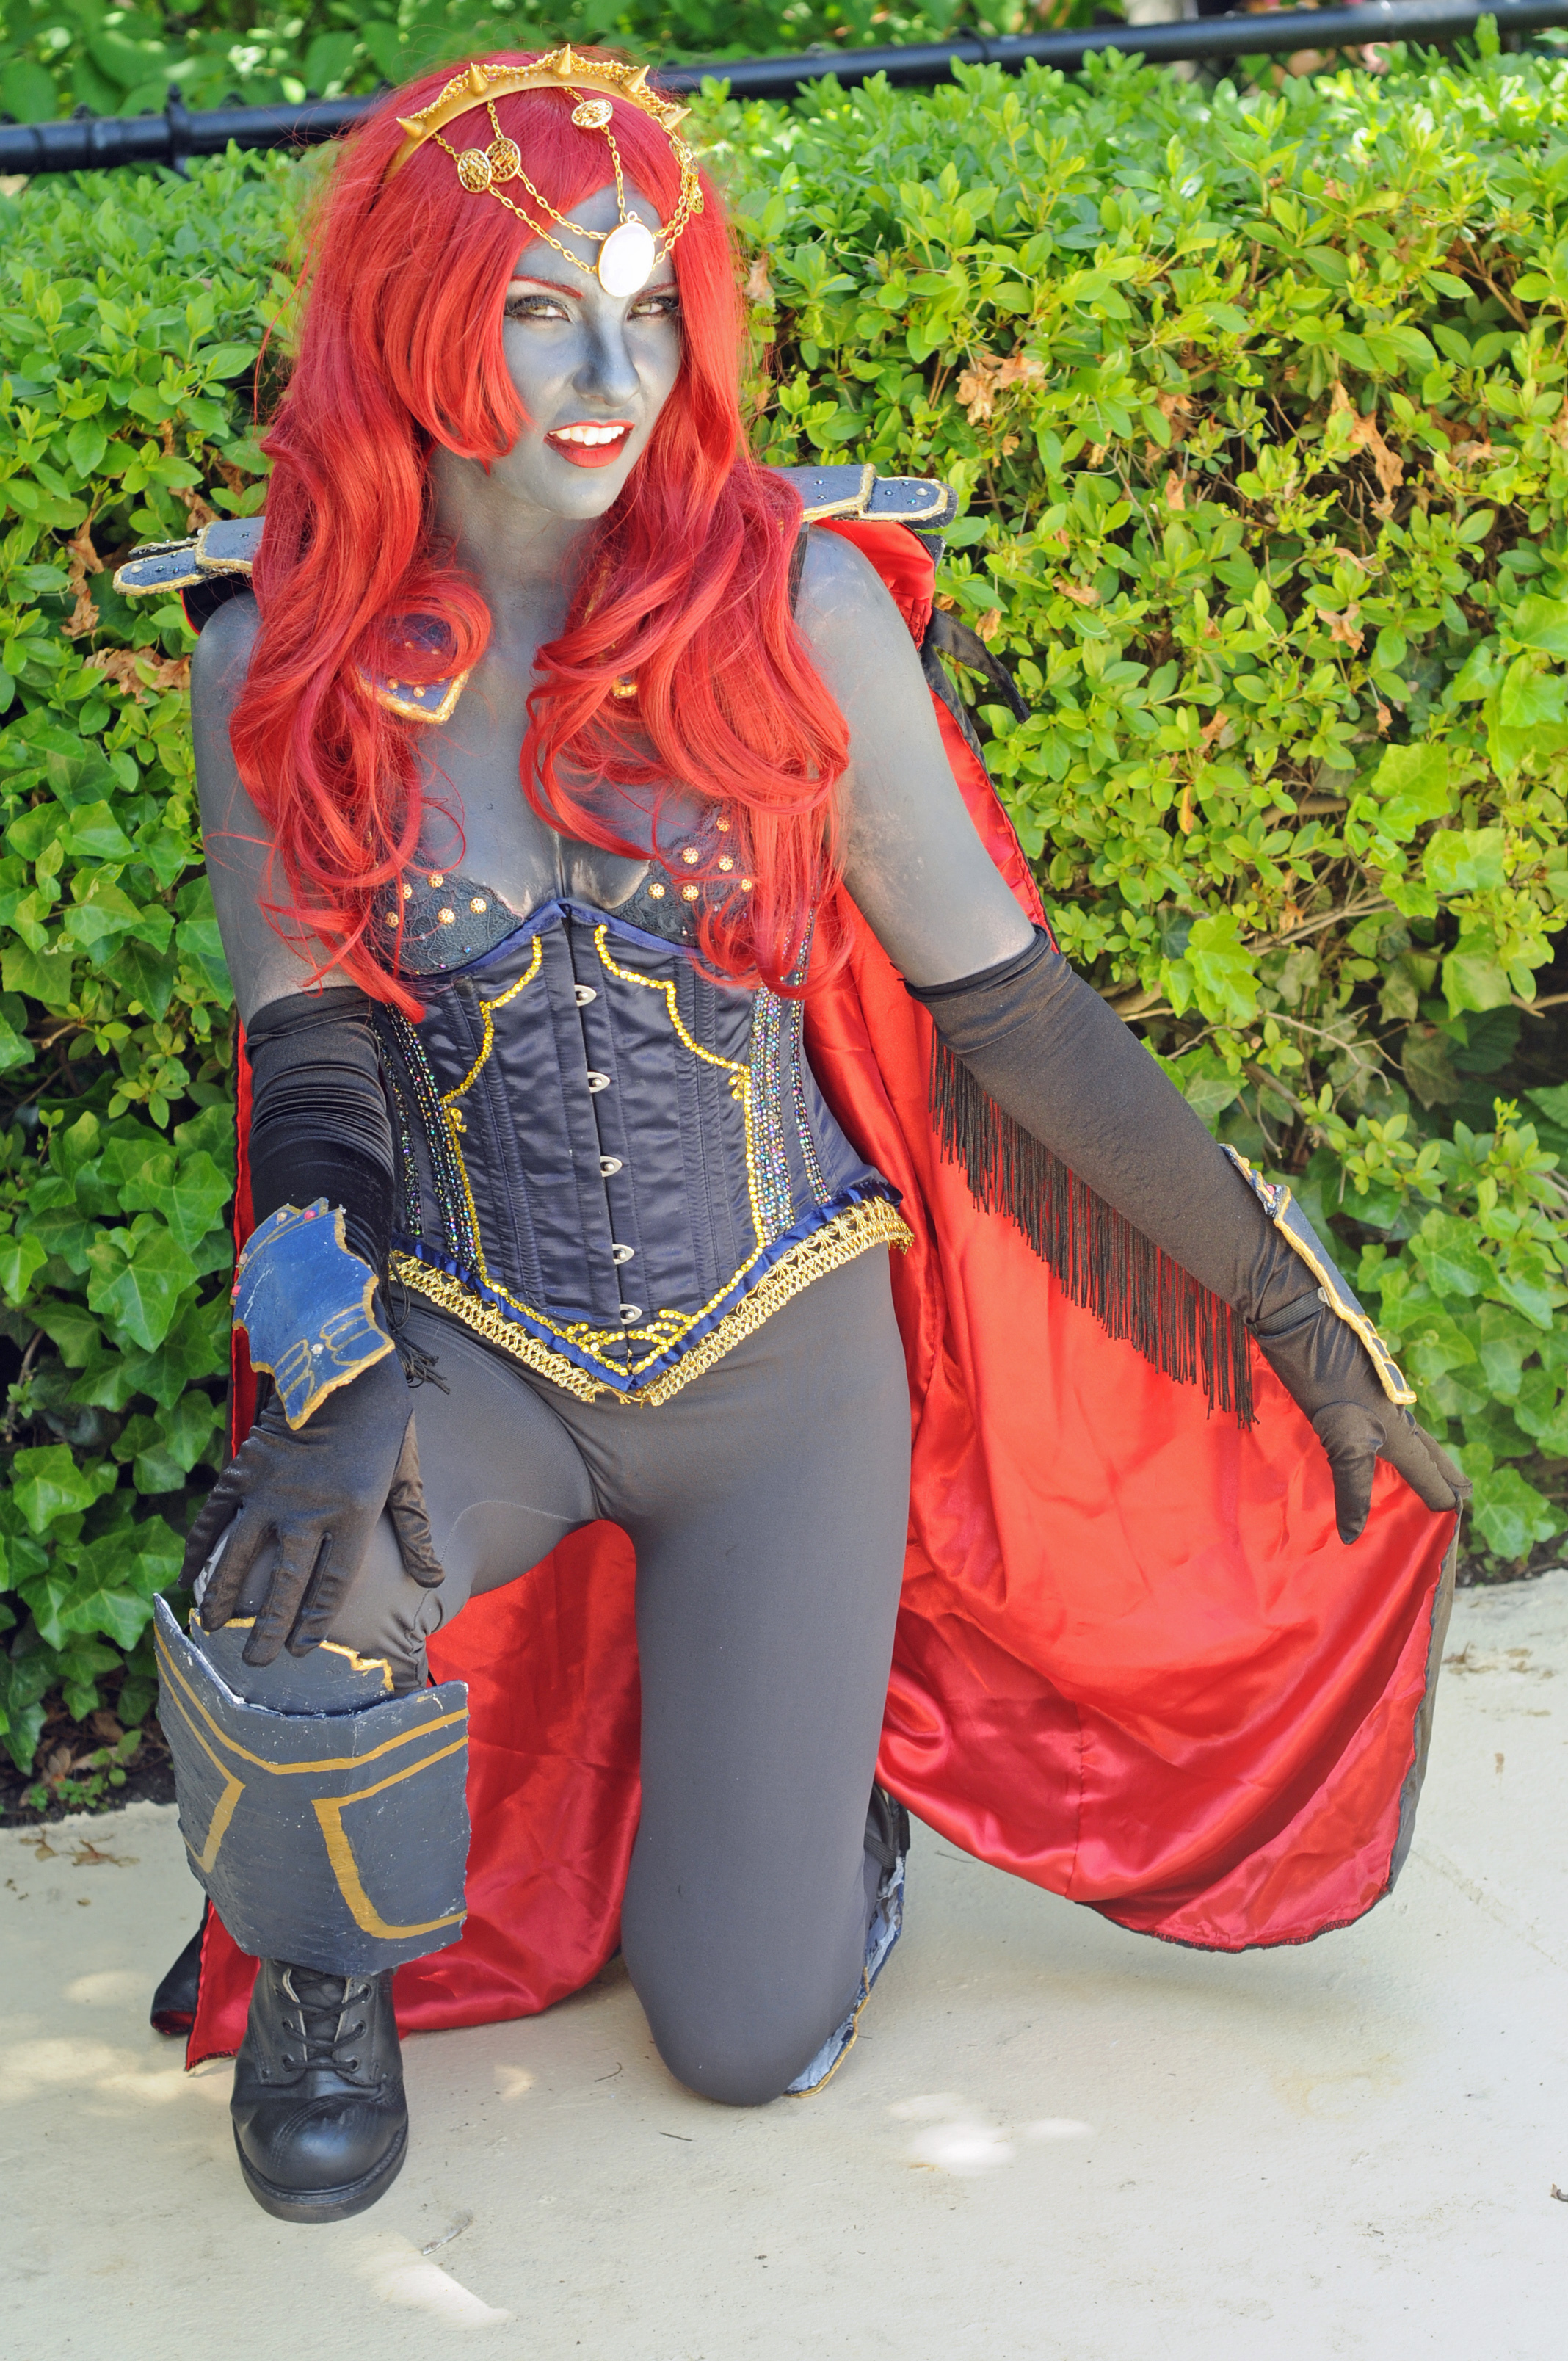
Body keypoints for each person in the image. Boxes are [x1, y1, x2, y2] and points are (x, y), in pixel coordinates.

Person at [131, 48, 1465, 2226]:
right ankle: (318, 1977)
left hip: (780, 1363)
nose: (608, 377)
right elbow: (310, 1064)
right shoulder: (278, 647)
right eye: (538, 309)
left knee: (744, 2039)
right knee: (296, 1576)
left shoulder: (796, 609)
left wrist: (1285, 1313)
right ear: (412, 310)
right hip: (476, 1342)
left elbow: (1012, 1015)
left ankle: (824, 1805)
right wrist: (325, 1374)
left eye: (648, 310)